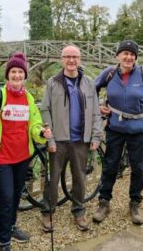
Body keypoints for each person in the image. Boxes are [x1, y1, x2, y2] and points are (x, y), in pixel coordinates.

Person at [0, 52, 52, 251]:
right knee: (6, 198)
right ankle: (4, 240)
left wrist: (42, 133)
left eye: (20, 72)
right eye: (13, 72)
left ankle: (11, 226)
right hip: (2, 157)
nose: (17, 75)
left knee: (17, 195)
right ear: (7, 75)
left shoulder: (28, 98)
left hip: (22, 156)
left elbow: (35, 126)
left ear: (25, 75)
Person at [93, 40, 143, 225]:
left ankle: (135, 203)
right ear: (118, 56)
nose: (128, 57)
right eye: (125, 53)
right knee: (110, 165)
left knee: (138, 168)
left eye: (132, 54)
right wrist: (98, 106)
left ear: (135, 57)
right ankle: (104, 202)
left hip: (138, 130)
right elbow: (92, 89)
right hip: (115, 128)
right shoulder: (109, 73)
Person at [39, 45, 103, 232]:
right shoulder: (53, 82)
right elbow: (45, 110)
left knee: (80, 178)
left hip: (80, 140)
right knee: (53, 178)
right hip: (58, 140)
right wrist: (49, 138)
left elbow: (96, 112)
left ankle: (79, 211)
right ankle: (48, 212)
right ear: (62, 59)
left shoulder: (88, 82)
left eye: (74, 56)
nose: (71, 60)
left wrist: (96, 135)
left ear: (80, 59)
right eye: (67, 56)